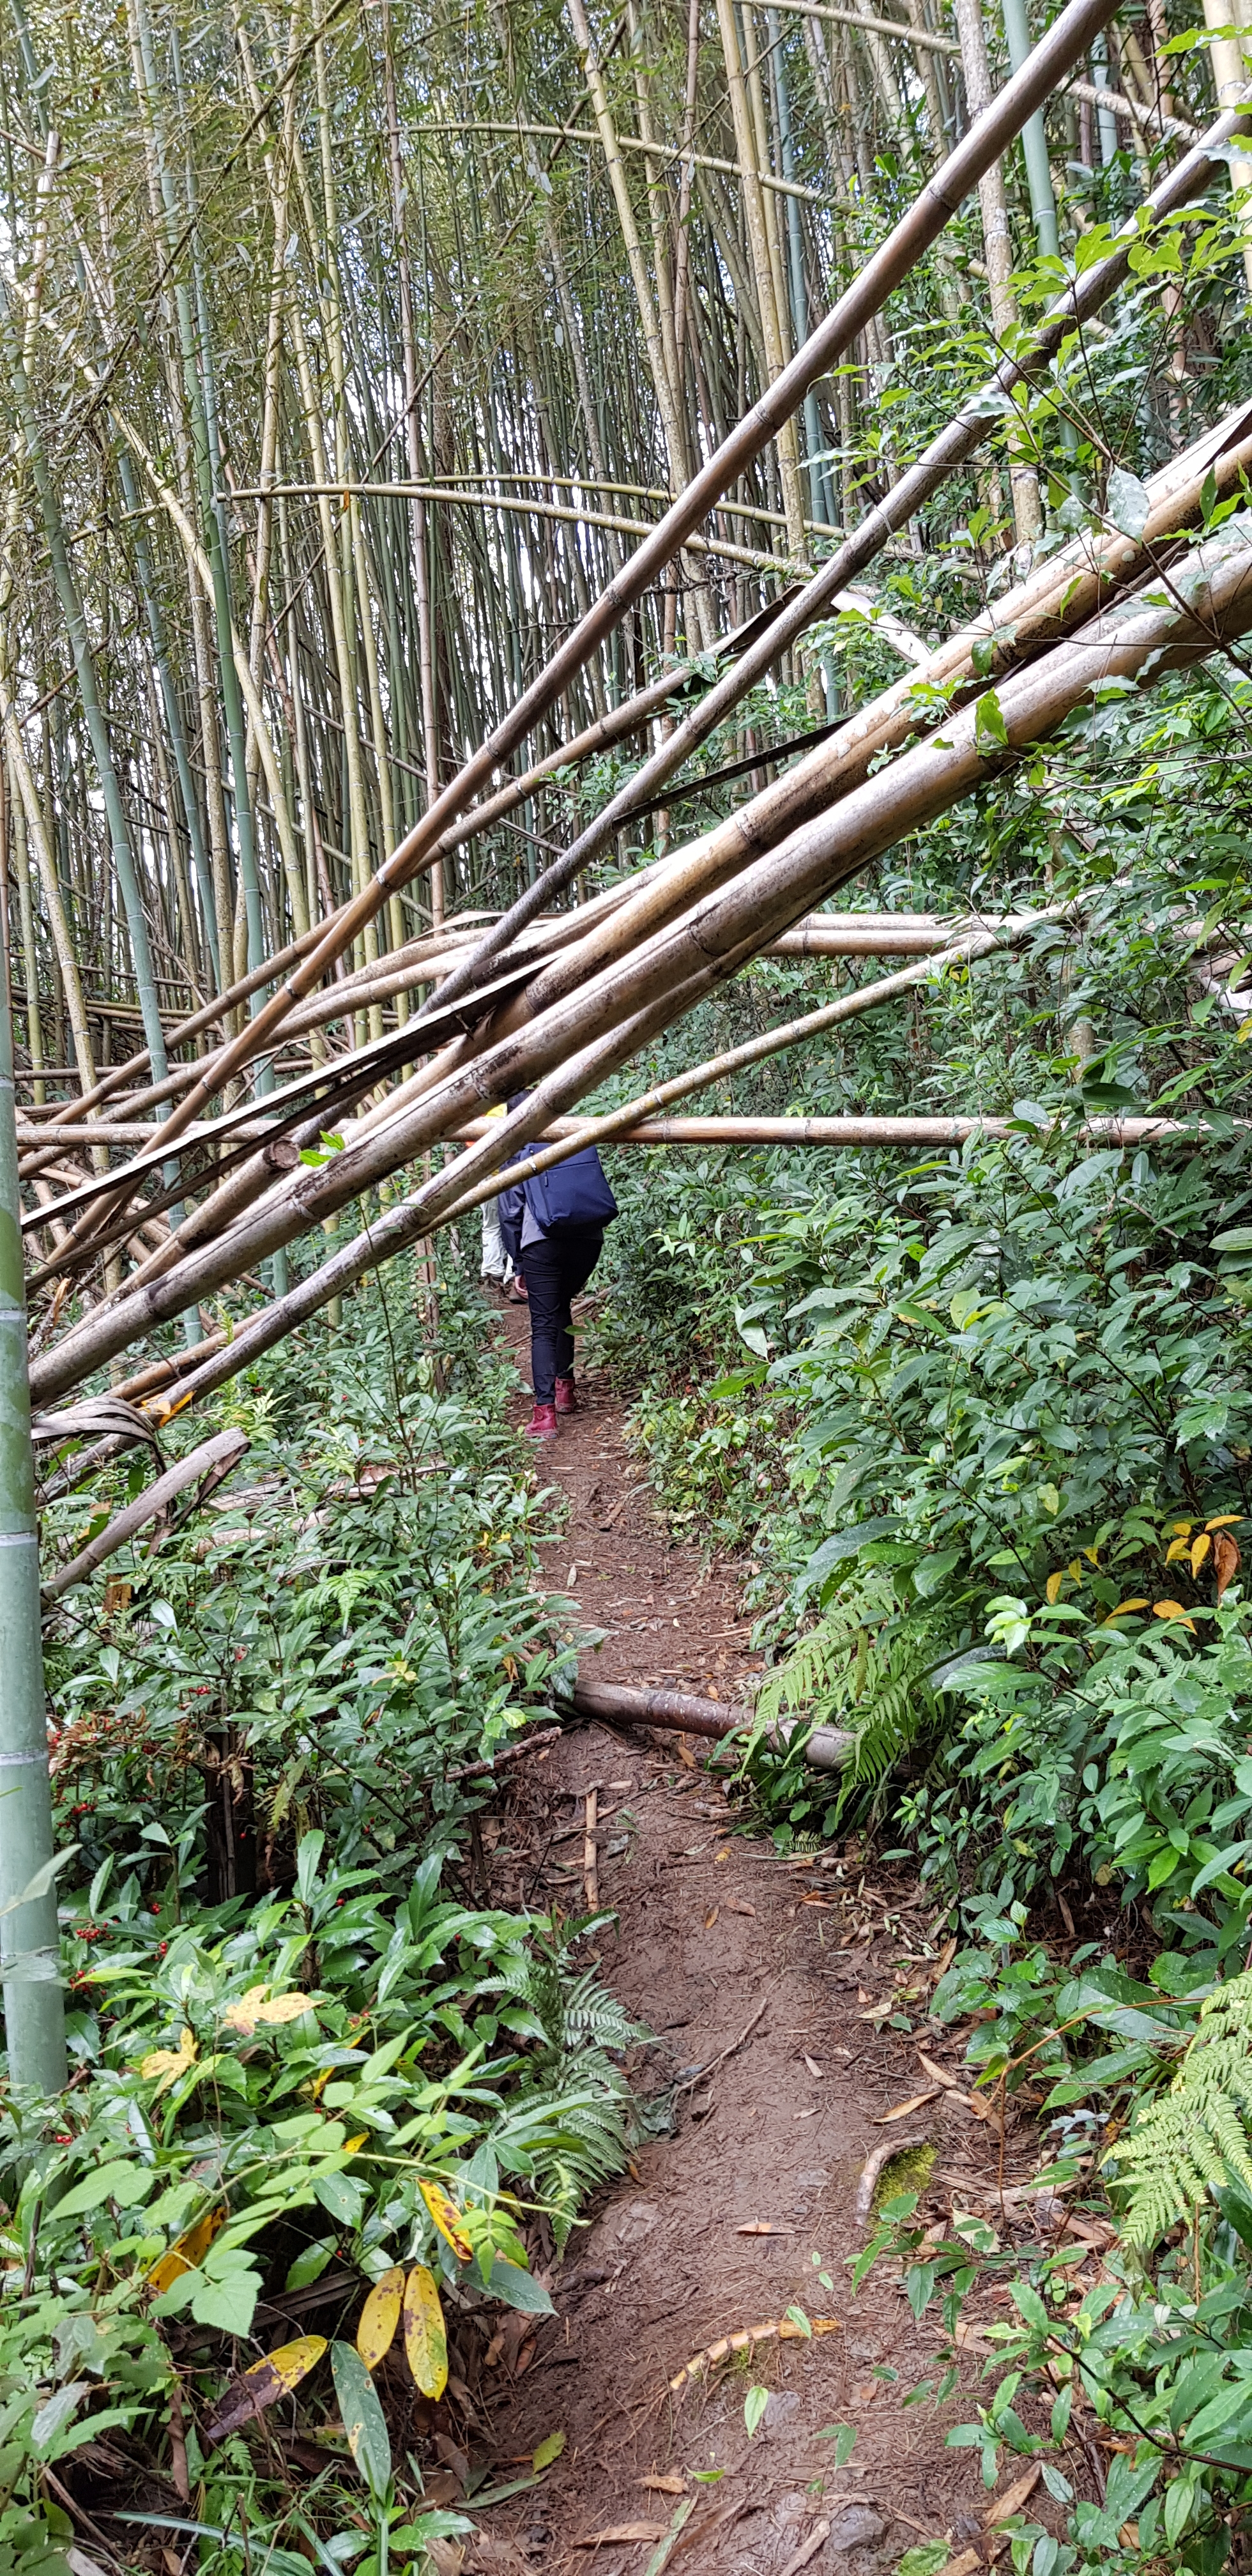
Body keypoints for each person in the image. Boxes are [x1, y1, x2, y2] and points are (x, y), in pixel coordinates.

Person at [498, 1123, 618, 1442]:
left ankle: (544, 1413)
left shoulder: (520, 1154)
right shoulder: (576, 1138)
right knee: (561, 1306)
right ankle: (565, 1390)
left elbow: (511, 1212)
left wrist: (518, 1262)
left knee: (544, 1324)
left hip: (542, 1244)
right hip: (588, 1240)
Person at [478, 1105, 526, 1301]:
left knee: (491, 1226)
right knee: (517, 1224)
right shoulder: (524, 1103)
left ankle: (493, 1276)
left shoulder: (487, 1109)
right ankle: (514, 1276)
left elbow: (471, 1141)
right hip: (516, 1174)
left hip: (489, 1175)